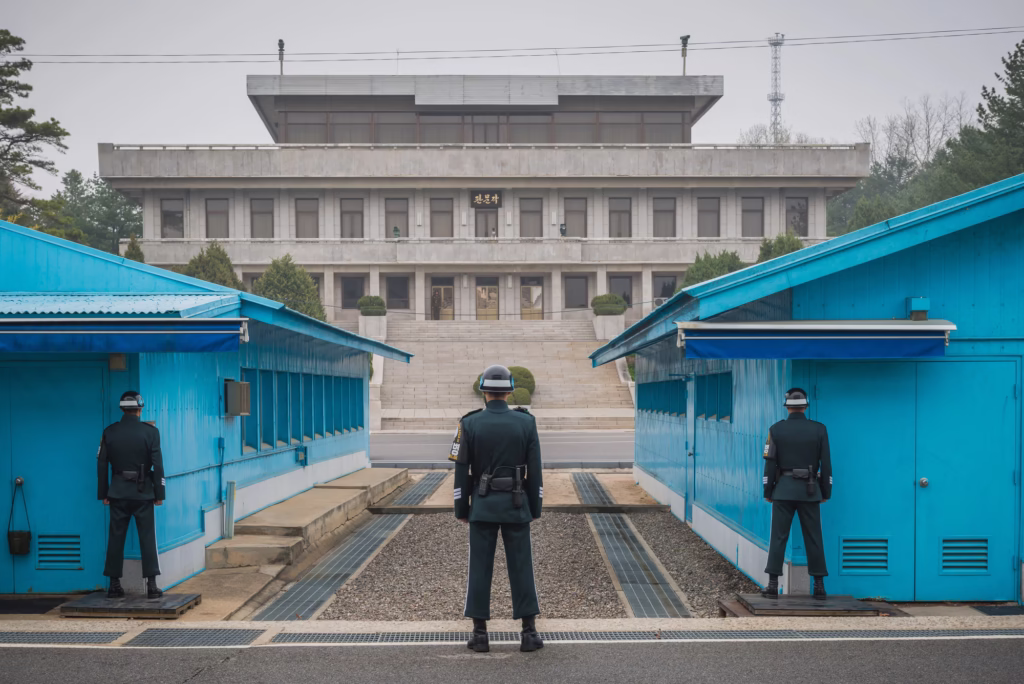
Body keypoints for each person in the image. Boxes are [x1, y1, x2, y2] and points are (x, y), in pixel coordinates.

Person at [451, 365, 543, 653]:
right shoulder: (526, 422)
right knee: (522, 567)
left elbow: (461, 469)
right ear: (511, 389)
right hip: (517, 504)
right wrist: (534, 506)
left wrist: (461, 507)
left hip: (482, 503)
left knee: (479, 568)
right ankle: (528, 633)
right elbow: (536, 471)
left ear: (483, 390)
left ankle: (480, 634)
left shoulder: (468, 423)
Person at [762, 387, 832, 600]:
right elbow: (826, 464)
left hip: (783, 489)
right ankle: (819, 585)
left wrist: (768, 489)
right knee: (814, 537)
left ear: (787, 407)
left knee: (778, 537)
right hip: (810, 490)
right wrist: (826, 491)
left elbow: (770, 464)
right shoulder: (819, 429)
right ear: (805, 406)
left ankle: (773, 584)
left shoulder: (775, 430)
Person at [97, 391, 165, 599]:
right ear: (140, 408)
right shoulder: (151, 432)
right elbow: (158, 465)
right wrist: (159, 493)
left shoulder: (109, 432)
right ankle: (152, 586)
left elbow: (101, 464)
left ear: (121, 409)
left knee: (116, 538)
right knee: (147, 538)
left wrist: (104, 493)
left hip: (117, 491)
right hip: (143, 492)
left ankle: (114, 584)